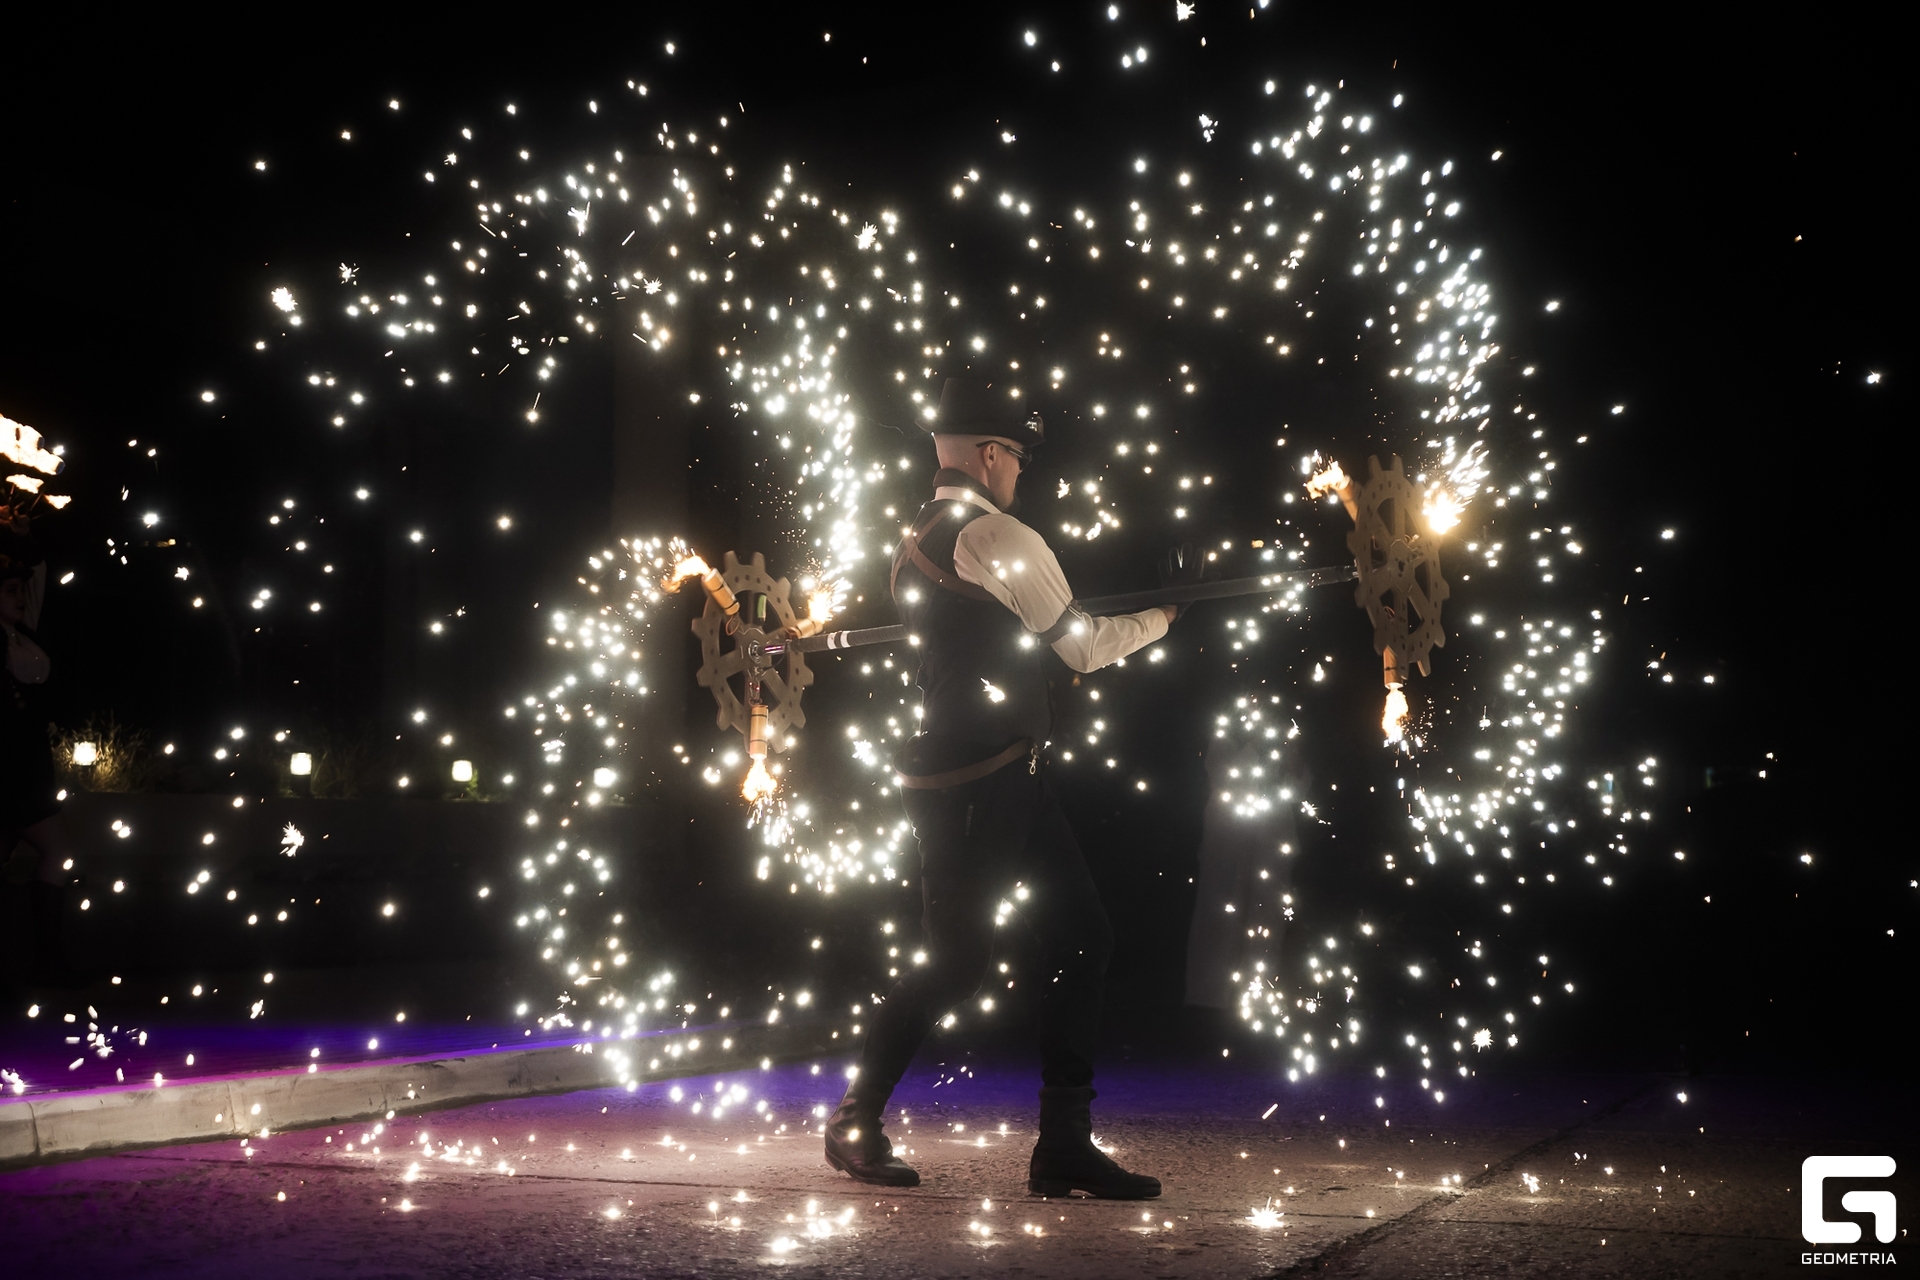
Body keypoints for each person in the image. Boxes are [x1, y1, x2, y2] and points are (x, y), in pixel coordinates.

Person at [824, 377, 1197, 1199]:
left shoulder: (915, 536)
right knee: (957, 961)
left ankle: (1063, 1145)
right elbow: (1082, 647)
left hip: (1006, 774)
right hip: (974, 781)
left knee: (1083, 938)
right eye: (1018, 458)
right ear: (990, 454)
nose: (1021, 472)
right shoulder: (995, 533)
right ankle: (855, 1120)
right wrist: (1166, 617)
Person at [1, 521, 74, 985]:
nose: (20, 597)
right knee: (56, 851)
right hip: (7, 762)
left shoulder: (23, 633)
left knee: (57, 853)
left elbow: (38, 571)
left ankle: (44, 964)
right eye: (10, 591)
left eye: (19, 590)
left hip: (29, 761)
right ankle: (42, 965)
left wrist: (19, 533)